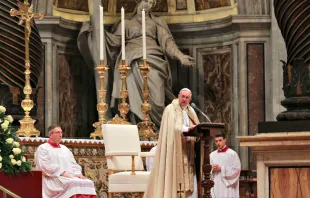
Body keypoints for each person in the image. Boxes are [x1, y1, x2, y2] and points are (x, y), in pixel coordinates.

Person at [104, 0, 195, 126]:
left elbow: (167, 42)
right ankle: (137, 124)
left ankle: (158, 127)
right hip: (130, 60)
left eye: (152, 3)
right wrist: (99, 34)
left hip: (153, 59)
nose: (148, 5)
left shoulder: (156, 22)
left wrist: (180, 56)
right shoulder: (126, 23)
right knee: (129, 92)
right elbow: (115, 41)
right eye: (146, 1)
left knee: (157, 100)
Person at [144, 88, 199, 198]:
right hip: (175, 151)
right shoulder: (170, 109)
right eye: (182, 96)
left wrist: (196, 131)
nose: (184, 99)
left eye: (187, 97)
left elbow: (197, 127)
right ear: (178, 96)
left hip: (188, 151)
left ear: (190, 99)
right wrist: (187, 129)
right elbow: (171, 129)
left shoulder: (191, 111)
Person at [35, 125, 97, 198]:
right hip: (53, 179)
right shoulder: (43, 148)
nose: (60, 135)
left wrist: (78, 173)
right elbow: (44, 166)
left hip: (69, 176)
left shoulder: (65, 149)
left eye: (61, 132)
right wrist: (62, 172)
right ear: (50, 135)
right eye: (57, 132)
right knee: (73, 184)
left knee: (88, 183)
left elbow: (73, 164)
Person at [210, 132, 241, 198]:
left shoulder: (232, 154)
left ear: (225, 140)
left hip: (227, 185)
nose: (218, 143)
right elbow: (207, 170)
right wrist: (212, 169)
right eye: (216, 141)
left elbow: (236, 170)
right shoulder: (212, 155)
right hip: (215, 184)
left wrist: (221, 169)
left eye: (220, 140)